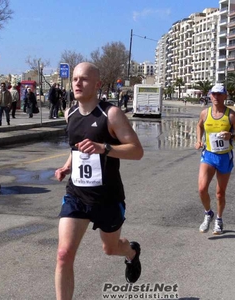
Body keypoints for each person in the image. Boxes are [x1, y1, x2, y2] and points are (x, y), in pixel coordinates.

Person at [54, 62, 144, 300]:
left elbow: (136, 151)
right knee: (63, 254)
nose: (77, 83)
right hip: (77, 195)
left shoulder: (111, 114)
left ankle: (132, 252)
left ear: (97, 84)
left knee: (110, 248)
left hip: (108, 198)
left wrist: (103, 148)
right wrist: (67, 166)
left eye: (83, 79)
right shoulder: (69, 113)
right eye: (74, 79)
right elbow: (77, 149)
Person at [195, 84, 235, 235]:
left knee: (220, 193)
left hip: (225, 156)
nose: (216, 97)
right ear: (210, 96)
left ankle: (219, 219)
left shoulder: (231, 116)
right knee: (202, 188)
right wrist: (199, 140)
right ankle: (208, 213)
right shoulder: (205, 113)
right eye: (214, 94)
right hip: (209, 155)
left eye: (219, 94)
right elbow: (199, 126)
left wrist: (231, 136)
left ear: (225, 96)